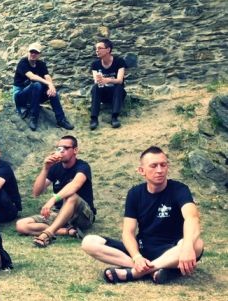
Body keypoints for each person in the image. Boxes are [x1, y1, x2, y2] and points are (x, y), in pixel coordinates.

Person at [81, 147, 203, 284]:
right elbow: (128, 232)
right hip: (143, 249)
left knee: (197, 244)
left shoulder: (179, 189)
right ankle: (152, 269)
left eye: (163, 165)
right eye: (153, 166)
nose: (160, 170)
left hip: (172, 249)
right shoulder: (135, 193)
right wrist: (136, 256)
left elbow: (192, 218)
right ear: (141, 170)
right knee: (89, 242)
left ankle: (134, 273)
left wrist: (187, 247)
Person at [15, 135, 96, 247]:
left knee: (71, 196)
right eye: (59, 148)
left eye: (66, 148)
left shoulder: (83, 166)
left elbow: (74, 186)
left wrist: (52, 200)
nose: (61, 151)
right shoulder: (55, 167)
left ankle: (47, 234)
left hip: (82, 215)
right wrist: (46, 168)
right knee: (21, 225)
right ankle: (67, 231)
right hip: (60, 213)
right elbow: (36, 192)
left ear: (75, 150)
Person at [12, 42, 74, 131]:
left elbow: (47, 76)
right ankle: (33, 117)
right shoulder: (23, 63)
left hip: (34, 95)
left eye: (36, 52)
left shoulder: (41, 64)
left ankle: (61, 120)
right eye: (31, 51)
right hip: (20, 97)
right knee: (37, 85)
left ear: (39, 54)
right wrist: (48, 84)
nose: (33, 54)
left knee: (52, 92)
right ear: (28, 52)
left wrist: (51, 86)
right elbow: (32, 76)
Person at [90, 39, 127, 129]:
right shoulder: (95, 64)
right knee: (95, 87)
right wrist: (100, 80)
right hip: (103, 94)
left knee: (118, 87)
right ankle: (94, 118)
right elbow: (96, 81)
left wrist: (107, 80)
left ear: (108, 50)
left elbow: (120, 80)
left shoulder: (119, 61)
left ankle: (114, 117)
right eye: (96, 48)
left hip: (117, 94)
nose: (97, 50)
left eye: (100, 48)